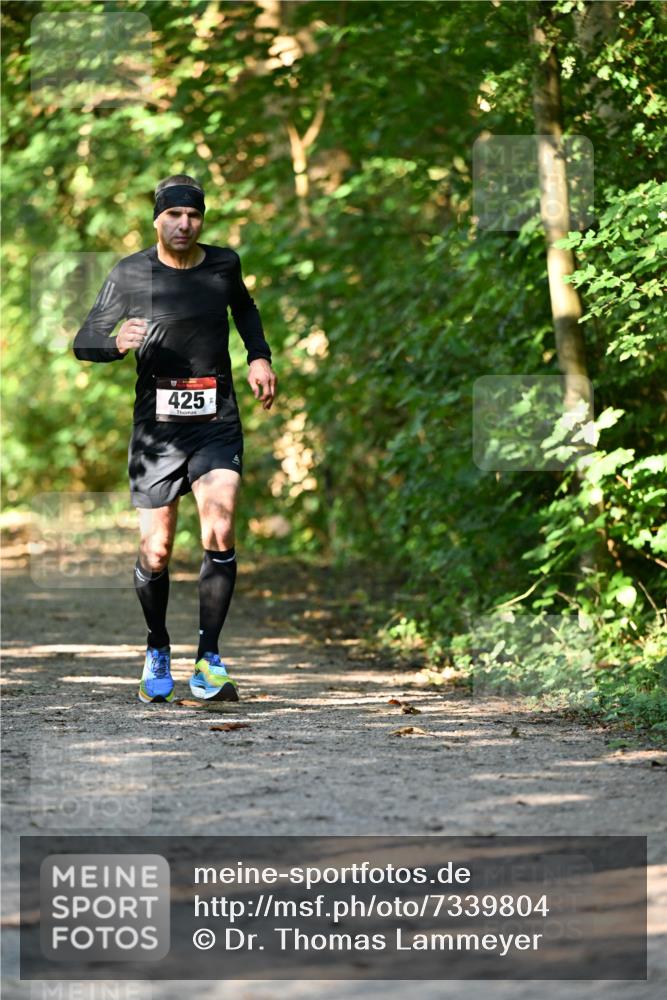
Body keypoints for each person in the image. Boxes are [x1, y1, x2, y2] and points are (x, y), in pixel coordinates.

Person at [73, 174, 277, 704]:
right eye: (174, 215)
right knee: (157, 550)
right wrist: (115, 343)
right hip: (157, 430)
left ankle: (209, 659)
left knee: (221, 525)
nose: (184, 224)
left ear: (201, 219)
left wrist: (259, 357)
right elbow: (84, 340)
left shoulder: (223, 264)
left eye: (193, 215)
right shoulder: (130, 272)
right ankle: (157, 647)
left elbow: (245, 308)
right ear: (157, 220)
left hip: (216, 418)